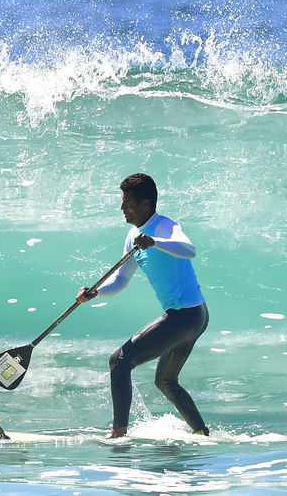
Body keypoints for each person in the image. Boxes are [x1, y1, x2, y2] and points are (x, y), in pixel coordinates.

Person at [75, 173, 210, 438]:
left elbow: (189, 249)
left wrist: (155, 242)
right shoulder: (132, 236)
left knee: (120, 361)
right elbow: (121, 279)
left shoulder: (165, 227)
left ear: (145, 204)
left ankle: (118, 435)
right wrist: (95, 293)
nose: (122, 208)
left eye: (127, 203)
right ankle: (202, 434)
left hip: (186, 315)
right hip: (193, 316)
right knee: (165, 381)